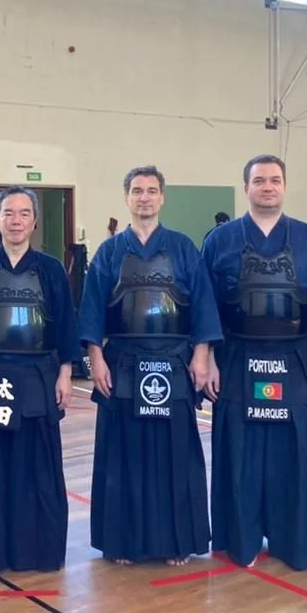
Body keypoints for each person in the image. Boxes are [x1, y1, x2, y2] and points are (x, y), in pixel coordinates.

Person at [201, 155, 307, 571]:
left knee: (298, 453)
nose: (267, 187)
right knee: (240, 451)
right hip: (237, 355)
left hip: (297, 356)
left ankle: (300, 543)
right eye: (259, 180)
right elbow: (205, 307)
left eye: (275, 180)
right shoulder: (220, 240)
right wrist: (208, 359)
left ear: (285, 186)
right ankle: (241, 541)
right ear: (246, 187)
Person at [77, 165, 221, 566]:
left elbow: (204, 305)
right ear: (126, 197)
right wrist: (95, 358)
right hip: (122, 361)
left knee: (174, 453)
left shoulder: (183, 247)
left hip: (174, 361)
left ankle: (176, 541)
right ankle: (122, 541)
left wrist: (201, 355)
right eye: (137, 190)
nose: (144, 197)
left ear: (162, 198)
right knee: (123, 454)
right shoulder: (109, 251)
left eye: (152, 190)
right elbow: (91, 309)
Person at [0, 186, 80, 572]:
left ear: (34, 221)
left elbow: (66, 326)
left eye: (24, 213)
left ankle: (37, 549)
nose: (16, 221)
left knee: (37, 466)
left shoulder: (51, 269)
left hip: (39, 374)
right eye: (9, 213)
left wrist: (65, 373)